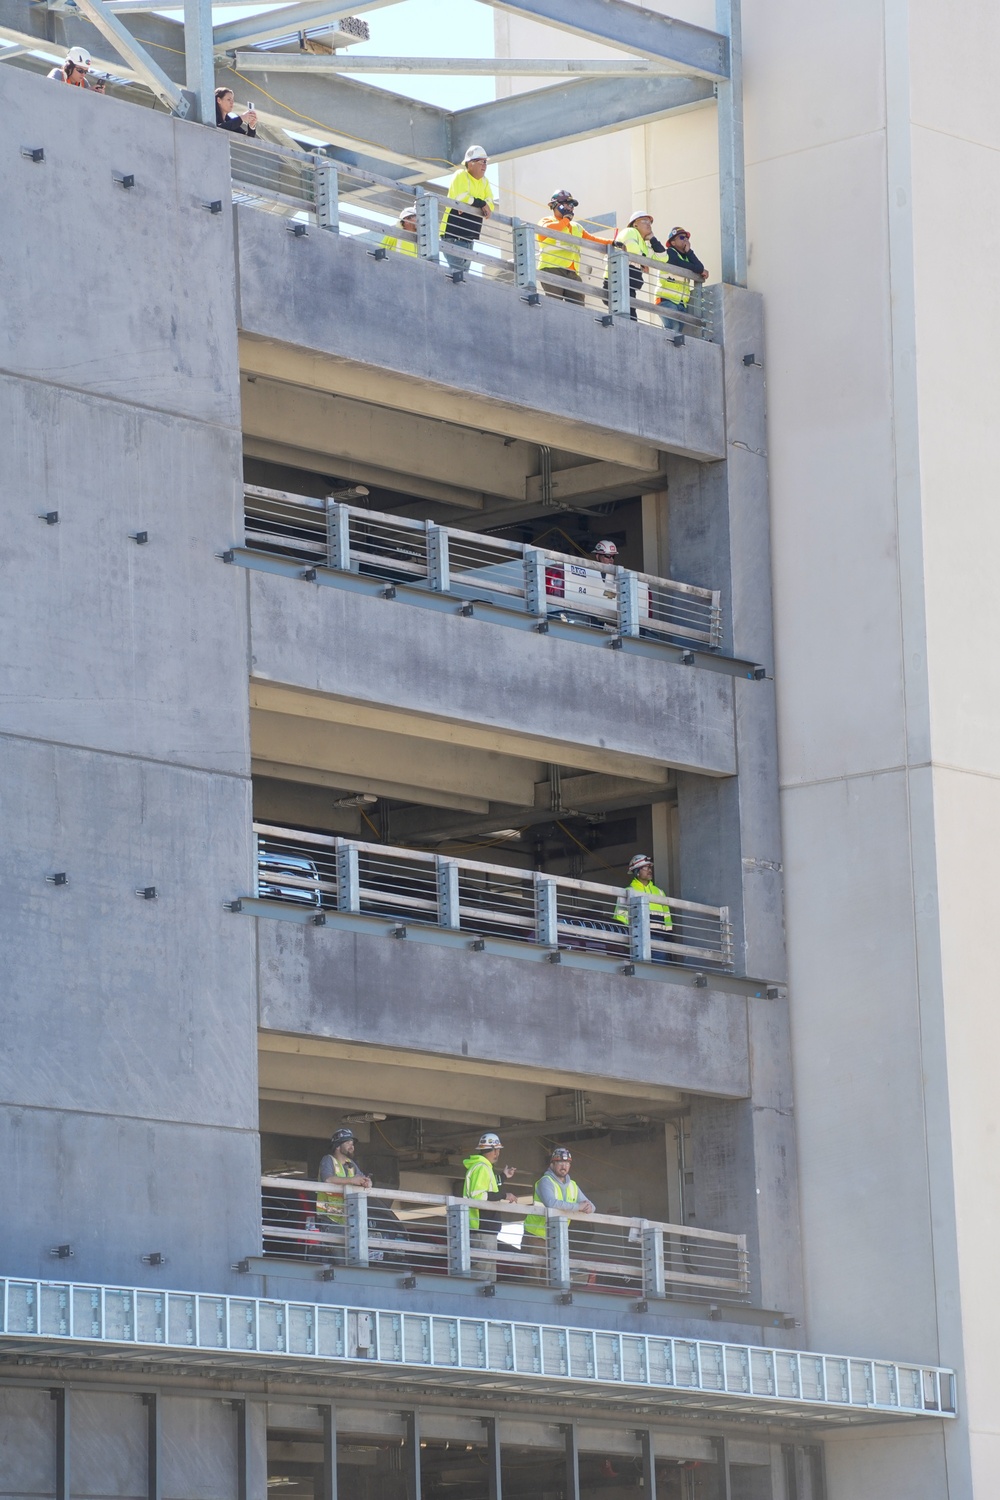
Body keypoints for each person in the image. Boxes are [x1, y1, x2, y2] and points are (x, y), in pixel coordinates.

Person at [522, 1148, 595, 1280]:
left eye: (567, 1163)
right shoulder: (546, 1181)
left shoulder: (572, 1185)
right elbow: (551, 1203)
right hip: (535, 1237)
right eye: (560, 1162)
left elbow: (591, 1206)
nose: (564, 1166)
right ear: (552, 1164)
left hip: (554, 1239)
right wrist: (578, 1207)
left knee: (549, 1281)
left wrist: (588, 1208)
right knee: (533, 1280)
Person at [536, 190, 613, 306]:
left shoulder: (576, 227)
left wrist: (612, 242)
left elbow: (592, 239)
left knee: (578, 306)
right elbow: (549, 230)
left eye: (572, 205)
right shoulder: (547, 221)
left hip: (572, 272)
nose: (571, 208)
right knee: (554, 305)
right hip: (552, 268)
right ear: (557, 205)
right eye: (567, 204)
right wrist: (566, 220)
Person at [462, 1132, 517, 1282]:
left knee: (489, 1275)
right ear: (490, 1150)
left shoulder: (484, 1168)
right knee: (482, 1273)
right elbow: (479, 1196)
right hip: (481, 1227)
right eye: (496, 1150)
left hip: (485, 1227)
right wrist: (504, 1195)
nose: (498, 1153)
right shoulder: (482, 1168)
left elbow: (490, 1188)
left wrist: (504, 1176)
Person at [441, 145, 495, 274]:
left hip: (469, 235)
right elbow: (462, 197)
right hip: (454, 234)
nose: (485, 166)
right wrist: (481, 204)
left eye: (486, 162)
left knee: (463, 276)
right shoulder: (461, 175)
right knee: (459, 275)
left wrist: (476, 204)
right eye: (482, 162)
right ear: (471, 163)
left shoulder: (484, 182)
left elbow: (491, 205)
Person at [316, 1127, 371, 1240]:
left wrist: (367, 1182)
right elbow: (328, 1179)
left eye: (352, 1143)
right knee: (339, 1256)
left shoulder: (351, 1164)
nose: (352, 1146)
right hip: (329, 1218)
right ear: (337, 1146)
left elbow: (361, 1178)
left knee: (348, 1256)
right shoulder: (328, 1160)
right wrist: (352, 1180)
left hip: (347, 1218)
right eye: (348, 1143)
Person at [655, 226, 709, 333]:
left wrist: (689, 252)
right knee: (672, 329)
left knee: (677, 332)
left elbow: (699, 267)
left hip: (681, 303)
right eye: (681, 237)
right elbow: (680, 264)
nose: (685, 240)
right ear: (673, 242)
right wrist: (697, 269)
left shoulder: (686, 256)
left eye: (687, 238)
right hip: (667, 300)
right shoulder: (669, 253)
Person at [614, 854, 674, 938]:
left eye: (650, 867)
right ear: (637, 871)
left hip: (660, 939)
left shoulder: (660, 892)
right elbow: (621, 918)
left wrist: (669, 937)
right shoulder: (628, 892)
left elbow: (667, 918)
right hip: (637, 938)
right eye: (646, 868)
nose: (649, 870)